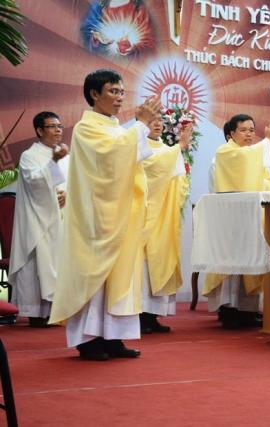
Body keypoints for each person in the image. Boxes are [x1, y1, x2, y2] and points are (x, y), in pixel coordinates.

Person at [49, 69, 162, 360]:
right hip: (96, 218)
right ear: (94, 94)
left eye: (122, 92)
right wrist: (141, 124)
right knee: (94, 276)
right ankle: (87, 340)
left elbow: (128, 155)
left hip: (118, 215)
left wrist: (139, 127)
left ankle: (114, 337)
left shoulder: (113, 127)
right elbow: (112, 156)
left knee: (119, 277)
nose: (119, 97)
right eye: (113, 91)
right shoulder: (88, 128)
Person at [205, 114, 270, 328]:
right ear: (231, 133)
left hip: (252, 215)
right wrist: (268, 142)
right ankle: (228, 309)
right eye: (244, 130)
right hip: (229, 216)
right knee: (231, 264)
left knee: (251, 259)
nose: (249, 134)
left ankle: (247, 309)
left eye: (251, 130)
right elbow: (239, 166)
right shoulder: (225, 152)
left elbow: (266, 180)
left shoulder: (253, 156)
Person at [8, 112, 69, 328]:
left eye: (59, 125)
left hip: (60, 220)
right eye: (52, 126)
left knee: (59, 260)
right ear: (39, 131)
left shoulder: (64, 155)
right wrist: (53, 162)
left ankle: (56, 310)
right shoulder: (29, 155)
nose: (58, 130)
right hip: (37, 219)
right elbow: (34, 182)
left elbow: (71, 183)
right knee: (37, 262)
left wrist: (66, 194)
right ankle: (35, 312)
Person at [139, 117, 191, 333]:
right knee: (144, 267)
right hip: (145, 214)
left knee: (162, 259)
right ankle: (140, 315)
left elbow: (178, 179)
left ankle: (153, 316)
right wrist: (178, 147)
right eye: (151, 121)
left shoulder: (165, 149)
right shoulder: (139, 146)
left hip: (165, 215)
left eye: (160, 121)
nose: (157, 124)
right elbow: (152, 168)